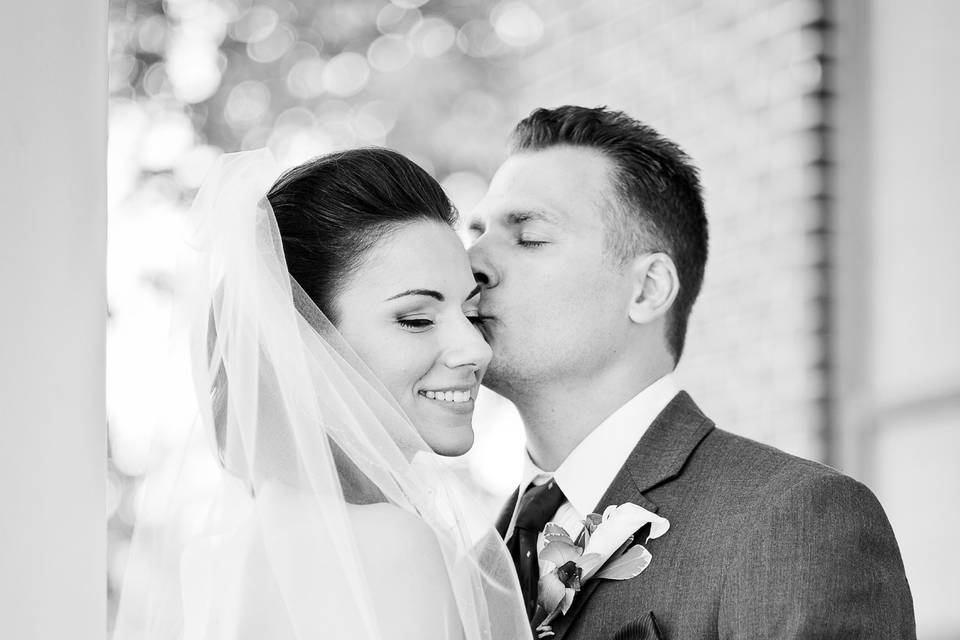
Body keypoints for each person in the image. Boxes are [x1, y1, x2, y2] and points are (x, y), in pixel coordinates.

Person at [467, 105, 916, 639]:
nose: (473, 261)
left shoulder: (792, 521)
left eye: (530, 238)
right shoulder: (467, 569)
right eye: (476, 231)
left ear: (647, 289)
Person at [113, 148, 529, 640]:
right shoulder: (392, 546)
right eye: (416, 320)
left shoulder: (213, 563)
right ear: (304, 345)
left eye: (471, 314)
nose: (475, 350)